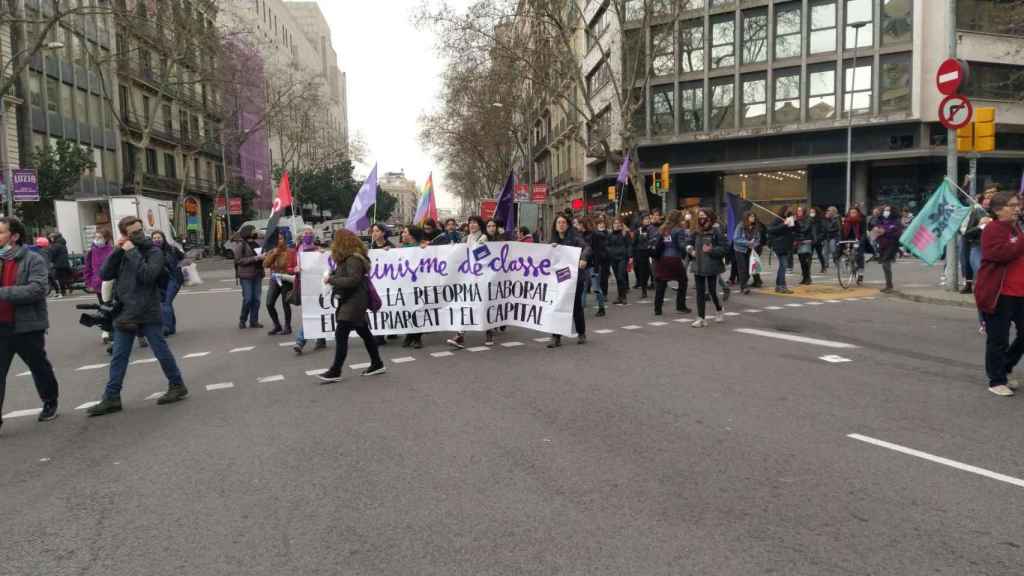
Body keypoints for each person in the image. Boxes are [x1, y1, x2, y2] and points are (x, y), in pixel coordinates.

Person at [86, 216, 187, 416]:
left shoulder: (154, 251)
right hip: (126, 311)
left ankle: (177, 385)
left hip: (148, 310)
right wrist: (117, 250)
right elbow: (105, 274)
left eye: (140, 230)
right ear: (125, 234)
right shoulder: (123, 251)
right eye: (134, 232)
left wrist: (132, 251)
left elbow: (147, 275)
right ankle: (112, 397)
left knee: (160, 350)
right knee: (119, 356)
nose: (140, 234)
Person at [0, 217, 60, 430]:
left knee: (38, 366)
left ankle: (50, 401)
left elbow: (38, 289)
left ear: (14, 236)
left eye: (1, 233)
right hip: (1, 327)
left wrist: (3, 293)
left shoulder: (32, 259)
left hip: (26, 325)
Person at [317, 229, 387, 383]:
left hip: (354, 301)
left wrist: (331, 280)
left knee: (341, 333)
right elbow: (348, 276)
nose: (333, 243)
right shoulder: (350, 258)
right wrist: (333, 275)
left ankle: (336, 370)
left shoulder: (353, 259)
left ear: (342, 242)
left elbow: (353, 280)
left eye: (335, 240)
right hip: (353, 300)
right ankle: (377, 363)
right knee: (365, 332)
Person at [974, 191, 1024, 397]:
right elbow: (1000, 254)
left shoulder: (1016, 228)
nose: (1017, 208)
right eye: (1011, 205)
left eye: (1017, 205)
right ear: (997, 210)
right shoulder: (992, 229)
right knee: (998, 339)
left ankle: (1006, 365)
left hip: (1020, 291)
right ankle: (996, 380)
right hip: (999, 293)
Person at [448, 216, 496, 348]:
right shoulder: (467, 238)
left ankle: (489, 332)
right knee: (467, 305)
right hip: (470, 278)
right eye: (470, 223)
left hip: (483, 278)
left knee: (483, 305)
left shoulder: (484, 238)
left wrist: (475, 250)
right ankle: (460, 335)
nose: (472, 225)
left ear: (480, 225)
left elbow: (483, 256)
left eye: (474, 222)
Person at [547, 214, 589, 348]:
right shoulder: (552, 241)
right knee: (557, 306)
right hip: (558, 281)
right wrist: (550, 249)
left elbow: (587, 248)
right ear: (555, 225)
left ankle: (581, 333)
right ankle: (556, 337)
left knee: (576, 306)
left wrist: (583, 258)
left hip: (574, 279)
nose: (561, 224)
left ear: (568, 225)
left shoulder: (575, 238)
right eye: (558, 222)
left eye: (564, 222)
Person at [687, 209, 728, 327]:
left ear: (710, 217)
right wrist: (690, 250)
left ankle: (719, 309)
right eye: (699, 216)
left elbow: (725, 248)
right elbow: (688, 242)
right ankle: (701, 318)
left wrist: (712, 250)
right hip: (698, 264)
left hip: (711, 265)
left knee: (711, 291)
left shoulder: (716, 231)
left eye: (704, 216)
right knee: (700, 292)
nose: (701, 218)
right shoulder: (696, 230)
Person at [292, 226, 328, 355]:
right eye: (306, 233)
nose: (308, 235)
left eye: (310, 233)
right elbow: (291, 266)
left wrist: (322, 254)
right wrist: (295, 269)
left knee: (311, 312)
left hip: (317, 285)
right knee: (314, 311)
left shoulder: (317, 249)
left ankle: (301, 341)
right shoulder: (297, 249)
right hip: (303, 285)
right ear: (301, 236)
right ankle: (321, 338)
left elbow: (324, 265)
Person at [653, 210, 691, 315]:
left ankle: (657, 308)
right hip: (674, 258)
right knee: (683, 281)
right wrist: (688, 248)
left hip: (663, 259)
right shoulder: (679, 230)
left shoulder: (663, 229)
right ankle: (680, 306)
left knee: (662, 283)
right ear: (678, 219)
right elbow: (680, 245)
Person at [151, 230, 185, 336]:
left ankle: (167, 328)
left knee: (166, 303)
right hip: (160, 282)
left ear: (163, 238)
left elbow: (184, 259)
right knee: (166, 304)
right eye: (155, 238)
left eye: (159, 237)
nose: (157, 240)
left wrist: (181, 267)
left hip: (173, 279)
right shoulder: (150, 252)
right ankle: (172, 327)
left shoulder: (172, 249)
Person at [263, 229, 296, 336]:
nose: (279, 241)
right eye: (277, 239)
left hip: (285, 279)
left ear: (285, 240)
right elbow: (265, 264)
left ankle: (287, 326)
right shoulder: (273, 251)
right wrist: (273, 254)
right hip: (274, 279)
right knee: (269, 303)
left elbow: (291, 266)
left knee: (285, 304)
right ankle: (277, 325)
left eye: (281, 238)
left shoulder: (290, 252)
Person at [230, 225, 264, 329]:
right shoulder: (241, 244)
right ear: (248, 232)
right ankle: (242, 320)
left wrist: (264, 257)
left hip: (257, 274)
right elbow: (238, 260)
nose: (255, 232)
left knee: (257, 299)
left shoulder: (257, 242)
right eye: (253, 231)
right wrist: (255, 258)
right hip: (246, 275)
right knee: (248, 299)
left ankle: (254, 321)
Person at [84, 227, 114, 343]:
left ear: (106, 238)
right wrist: (88, 282)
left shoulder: (112, 250)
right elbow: (88, 268)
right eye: (95, 237)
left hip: (111, 283)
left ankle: (110, 331)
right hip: (98, 284)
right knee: (103, 307)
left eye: (100, 237)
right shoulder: (91, 252)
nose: (97, 240)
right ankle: (106, 330)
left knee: (111, 307)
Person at [963, 189, 995, 294]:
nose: (988, 200)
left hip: (996, 248)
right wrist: (981, 226)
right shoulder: (977, 212)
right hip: (978, 247)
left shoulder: (1003, 212)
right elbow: (967, 233)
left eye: (991, 197)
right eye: (986, 197)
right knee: (981, 272)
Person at [873, 205, 904, 293]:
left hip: (891, 244)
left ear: (892, 212)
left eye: (888, 210)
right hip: (882, 244)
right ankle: (888, 285)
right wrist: (877, 230)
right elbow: (876, 228)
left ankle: (889, 285)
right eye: (885, 210)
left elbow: (898, 233)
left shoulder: (896, 221)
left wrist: (885, 231)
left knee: (885, 263)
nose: (885, 212)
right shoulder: (881, 219)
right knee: (885, 264)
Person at [583, 216, 609, 316]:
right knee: (583, 288)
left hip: (593, 265)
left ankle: (601, 308)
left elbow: (597, 252)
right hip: (585, 265)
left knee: (596, 288)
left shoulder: (595, 235)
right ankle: (581, 307)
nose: (579, 226)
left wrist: (597, 266)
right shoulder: (580, 235)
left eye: (581, 224)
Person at [767, 206, 796, 294]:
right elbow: (771, 229)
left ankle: (778, 286)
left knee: (782, 266)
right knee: (784, 265)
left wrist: (795, 222)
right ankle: (782, 286)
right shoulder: (778, 219)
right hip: (780, 245)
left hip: (786, 245)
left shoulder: (789, 219)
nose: (790, 212)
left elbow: (795, 230)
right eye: (788, 211)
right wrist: (784, 224)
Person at [733, 212, 760, 295]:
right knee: (742, 268)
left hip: (750, 250)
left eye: (754, 216)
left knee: (750, 269)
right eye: (751, 216)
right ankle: (744, 287)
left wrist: (754, 244)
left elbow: (758, 239)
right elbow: (736, 239)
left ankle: (744, 284)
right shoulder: (740, 226)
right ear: (746, 217)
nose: (753, 218)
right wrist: (748, 243)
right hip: (740, 250)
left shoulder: (755, 227)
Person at [607, 216, 632, 305]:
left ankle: (624, 296)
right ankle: (619, 296)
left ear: (621, 225)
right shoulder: (610, 234)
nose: (616, 225)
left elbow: (629, 245)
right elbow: (607, 245)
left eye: (618, 223)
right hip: (613, 258)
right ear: (612, 225)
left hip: (622, 258)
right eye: (615, 223)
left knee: (621, 276)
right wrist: (610, 252)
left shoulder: (625, 233)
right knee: (618, 278)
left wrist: (630, 256)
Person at [841, 207, 867, 285]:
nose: (852, 214)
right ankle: (847, 263)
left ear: (857, 213)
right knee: (843, 251)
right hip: (848, 239)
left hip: (858, 239)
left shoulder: (861, 220)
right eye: (851, 212)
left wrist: (860, 241)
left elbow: (863, 233)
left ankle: (860, 275)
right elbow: (842, 231)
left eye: (854, 212)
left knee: (859, 256)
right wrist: (840, 240)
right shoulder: (846, 220)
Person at [632, 214, 653, 298]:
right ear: (642, 221)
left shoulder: (653, 229)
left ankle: (652, 283)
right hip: (640, 254)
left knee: (650, 271)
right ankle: (644, 290)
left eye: (648, 219)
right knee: (642, 272)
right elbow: (634, 243)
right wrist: (632, 255)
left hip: (651, 253)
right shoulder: (638, 231)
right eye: (645, 219)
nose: (647, 220)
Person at [794, 206, 814, 285]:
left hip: (806, 240)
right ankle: (804, 277)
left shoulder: (808, 219)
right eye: (798, 211)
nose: (798, 212)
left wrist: (796, 225)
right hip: (799, 241)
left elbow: (805, 229)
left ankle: (808, 277)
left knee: (806, 261)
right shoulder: (797, 219)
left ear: (804, 211)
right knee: (801, 260)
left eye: (800, 211)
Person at [48, 232, 72, 297]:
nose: (51, 239)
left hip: (59, 264)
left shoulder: (56, 245)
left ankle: (63, 291)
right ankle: (69, 288)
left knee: (60, 278)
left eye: (52, 238)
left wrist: (50, 260)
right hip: (65, 263)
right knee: (64, 277)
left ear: (55, 238)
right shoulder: (62, 244)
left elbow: (52, 254)